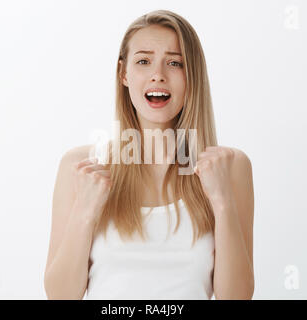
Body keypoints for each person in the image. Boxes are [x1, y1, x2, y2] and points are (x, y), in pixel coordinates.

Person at [44, 9, 254, 300]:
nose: (158, 75)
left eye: (174, 63)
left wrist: (222, 203)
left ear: (192, 74)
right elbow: (60, 296)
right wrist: (84, 213)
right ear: (124, 73)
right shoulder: (80, 167)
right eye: (143, 61)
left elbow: (237, 297)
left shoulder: (230, 167)